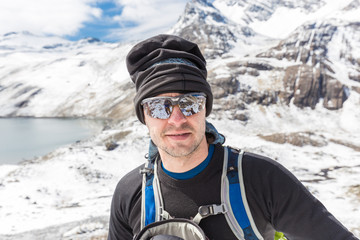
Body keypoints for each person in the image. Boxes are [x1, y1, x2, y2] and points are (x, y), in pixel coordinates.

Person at [107, 34, 358, 240]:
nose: (177, 119)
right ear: (144, 114)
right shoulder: (131, 194)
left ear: (205, 109)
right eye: (160, 106)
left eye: (191, 103)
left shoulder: (261, 179)